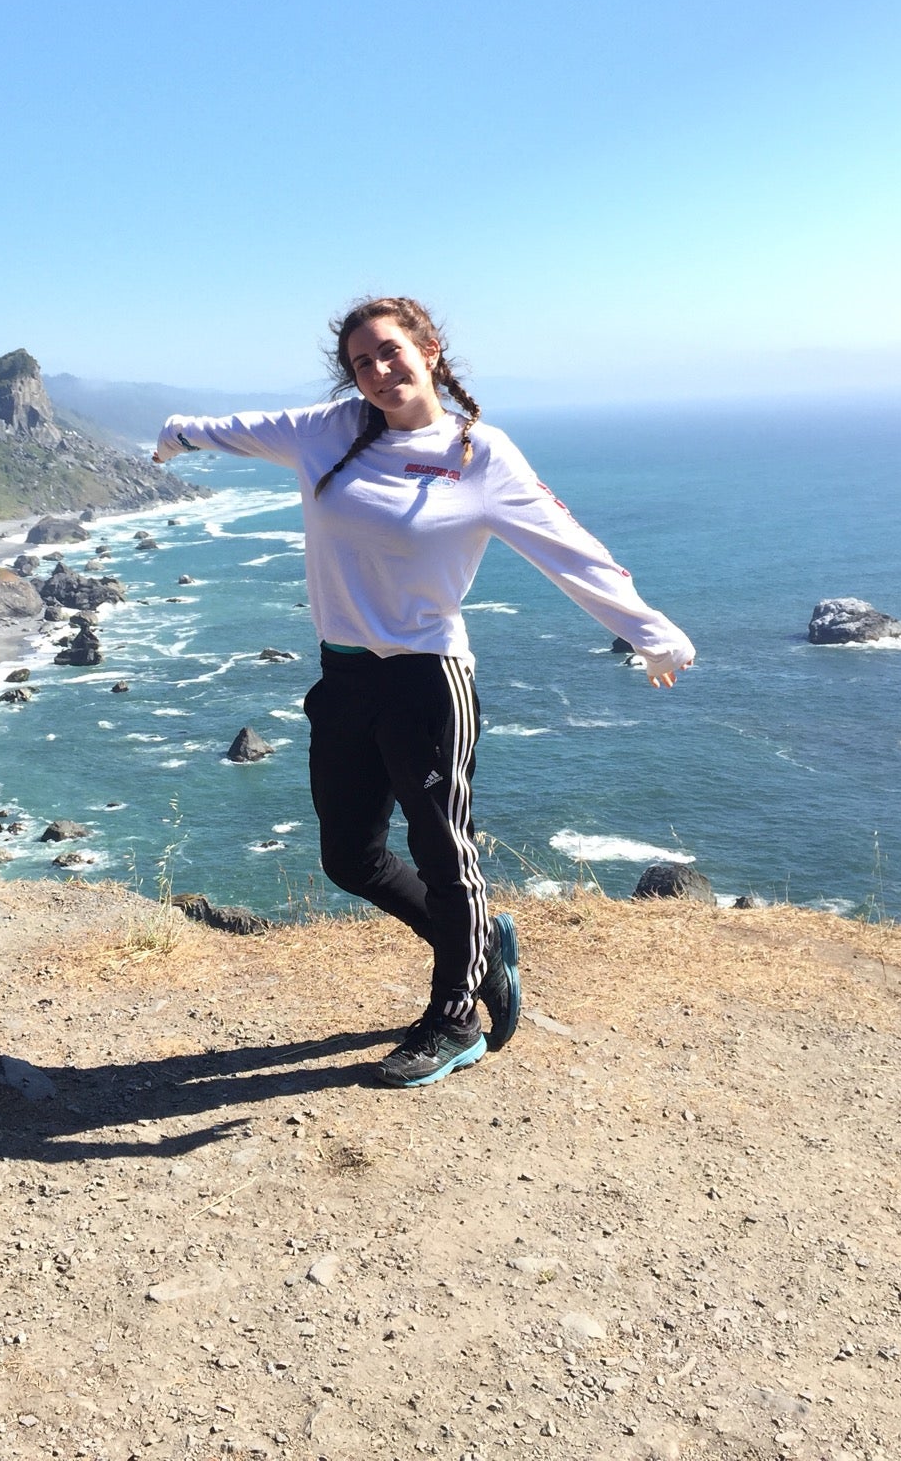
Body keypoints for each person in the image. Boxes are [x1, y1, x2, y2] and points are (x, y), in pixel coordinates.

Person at [153, 295, 694, 1088]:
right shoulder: (328, 432)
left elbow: (568, 548)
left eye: (390, 353)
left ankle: (455, 1017)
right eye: (361, 363)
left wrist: (651, 632)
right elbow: (238, 428)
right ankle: (476, 950)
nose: (378, 372)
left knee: (443, 849)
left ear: (430, 350)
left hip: (427, 677)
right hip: (344, 674)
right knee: (349, 857)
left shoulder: (481, 455)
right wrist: (177, 433)